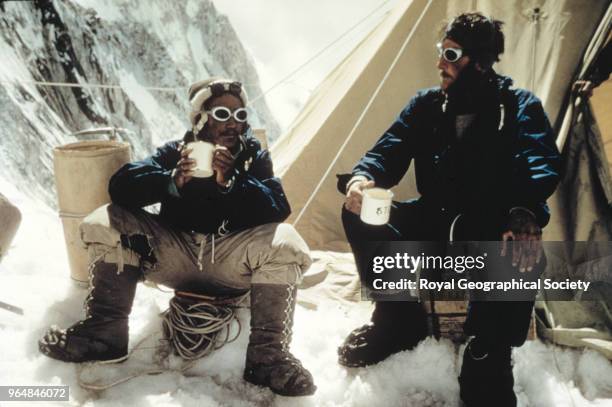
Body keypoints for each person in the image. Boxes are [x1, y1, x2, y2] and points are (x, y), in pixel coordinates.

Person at [39, 78, 316, 397]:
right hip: (174, 255)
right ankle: (104, 335)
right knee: (108, 219)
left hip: (229, 260)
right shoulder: (177, 152)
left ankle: (267, 359)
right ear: (200, 118)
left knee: (286, 241)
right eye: (222, 114)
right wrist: (171, 181)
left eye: (240, 116)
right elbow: (121, 186)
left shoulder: (252, 157)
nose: (233, 123)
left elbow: (278, 207)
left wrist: (233, 182)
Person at [338, 13, 560, 406]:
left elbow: (540, 164)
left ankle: (487, 353)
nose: (441, 63)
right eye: (441, 52)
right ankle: (396, 320)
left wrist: (523, 210)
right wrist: (362, 179)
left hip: (489, 222)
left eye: (451, 54)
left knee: (519, 247)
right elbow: (386, 152)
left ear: (481, 62)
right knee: (359, 213)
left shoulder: (519, 106)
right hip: (434, 218)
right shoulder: (426, 105)